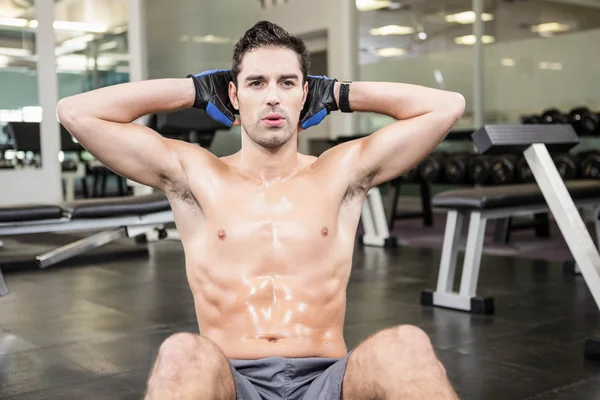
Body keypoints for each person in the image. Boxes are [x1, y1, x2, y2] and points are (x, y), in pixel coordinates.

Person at [57, 20, 464, 400]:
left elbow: (446, 106)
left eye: (287, 83)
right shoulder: (197, 174)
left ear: (305, 95)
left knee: (406, 345)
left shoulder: (342, 170)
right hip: (232, 381)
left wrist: (338, 93)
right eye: (256, 83)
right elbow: (76, 113)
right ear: (233, 95)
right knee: (182, 352)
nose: (272, 96)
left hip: (325, 379)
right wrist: (196, 90)